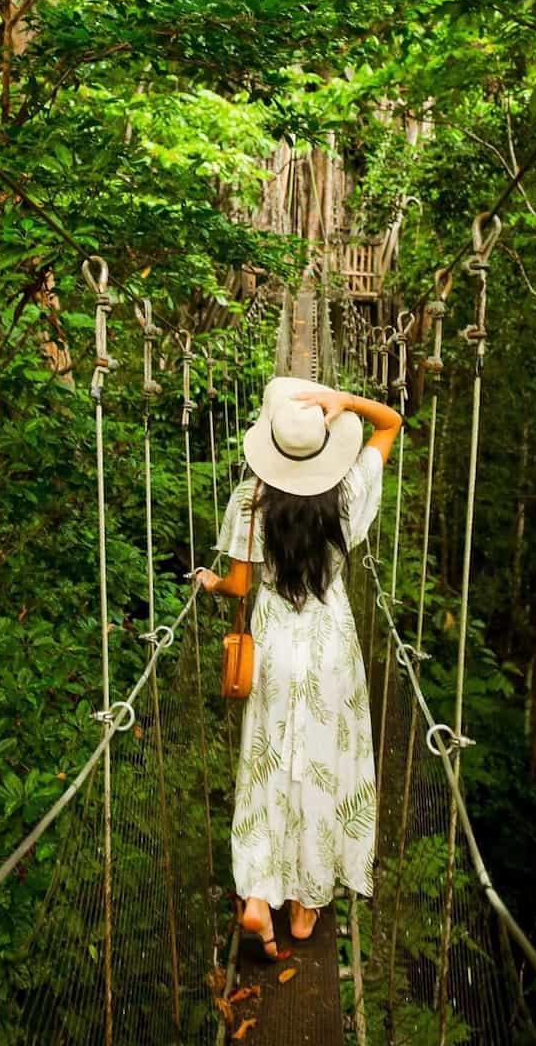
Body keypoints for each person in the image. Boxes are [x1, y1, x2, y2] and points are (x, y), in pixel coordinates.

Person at [193, 377, 402, 958]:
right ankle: (307, 906)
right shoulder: (350, 488)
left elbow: (238, 582)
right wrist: (347, 404)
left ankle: (259, 896)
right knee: (321, 764)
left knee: (268, 767)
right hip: (330, 645)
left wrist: (213, 583)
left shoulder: (250, 498)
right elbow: (390, 423)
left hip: (275, 644)